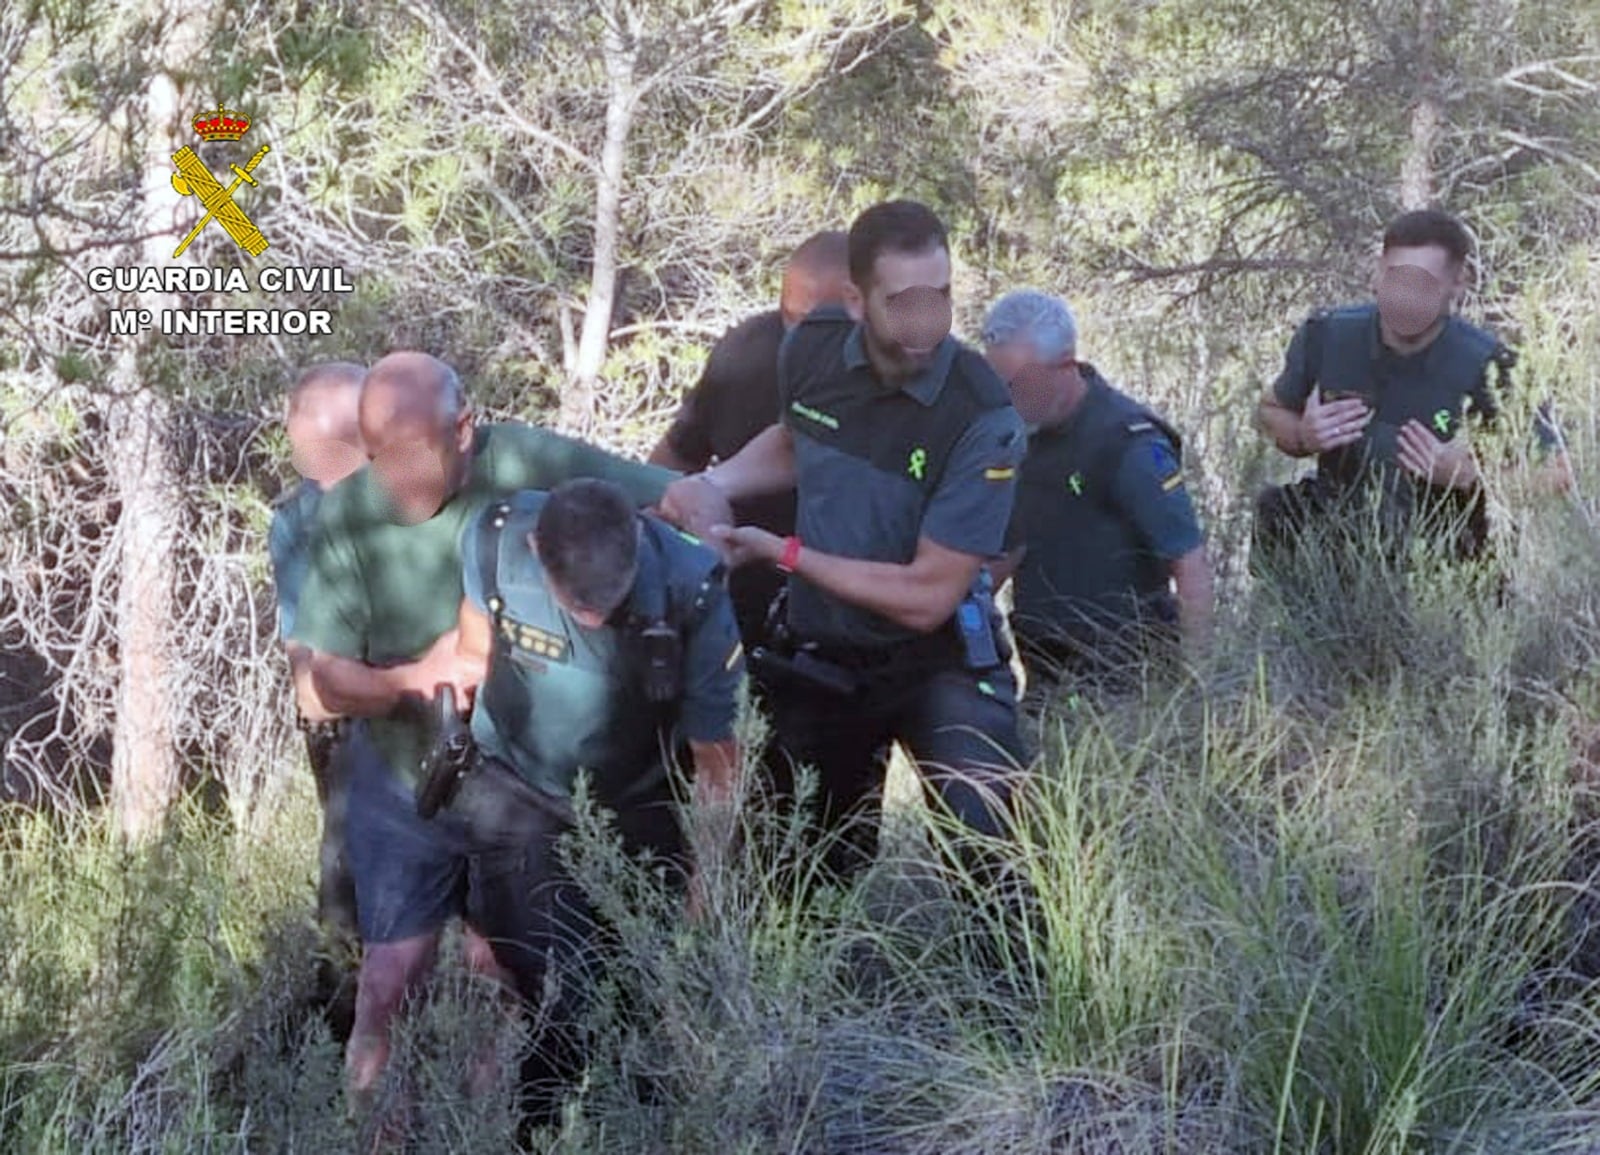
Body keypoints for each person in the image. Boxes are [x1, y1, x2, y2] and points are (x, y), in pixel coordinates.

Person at [285, 351, 678, 1121]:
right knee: (387, 980)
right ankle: (375, 1137)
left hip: (514, 784)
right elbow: (322, 682)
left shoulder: (524, 462)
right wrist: (417, 675)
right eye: (376, 459)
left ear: (462, 429)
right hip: (403, 777)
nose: (391, 481)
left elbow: (667, 500)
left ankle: (484, 1125)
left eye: (410, 459)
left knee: (512, 975)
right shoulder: (347, 514)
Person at [657, 199, 1029, 879]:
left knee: (992, 848)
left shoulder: (982, 412)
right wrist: (721, 484)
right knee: (797, 869)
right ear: (855, 300)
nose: (927, 317)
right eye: (904, 298)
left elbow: (927, 595)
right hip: (823, 651)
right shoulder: (811, 347)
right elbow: (798, 442)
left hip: (937, 655)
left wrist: (785, 553)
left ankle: (1010, 983)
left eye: (940, 295)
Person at [445, 477, 745, 1116]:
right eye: (577, 605)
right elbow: (471, 652)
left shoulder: (693, 590)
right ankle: (544, 1130)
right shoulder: (496, 541)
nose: (593, 617)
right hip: (521, 792)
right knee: (560, 991)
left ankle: (640, 1125)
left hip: (642, 801)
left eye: (608, 603)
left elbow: (718, 765)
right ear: (537, 548)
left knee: (645, 997)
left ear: (639, 536)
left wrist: (703, 895)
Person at [1254, 208, 1570, 570]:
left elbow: (1561, 476)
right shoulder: (1328, 337)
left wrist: (1469, 476)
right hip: (1336, 552)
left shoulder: (1493, 366)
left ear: (1458, 282)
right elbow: (1269, 411)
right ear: (1377, 272)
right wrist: (1302, 435)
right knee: (1278, 509)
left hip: (1443, 568)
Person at [980, 291, 1213, 708]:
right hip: (1046, 677)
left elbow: (1189, 564)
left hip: (1128, 686)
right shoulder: (1016, 435)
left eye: (1021, 384)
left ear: (1066, 366)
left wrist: (1196, 693)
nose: (1009, 397)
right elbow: (1007, 548)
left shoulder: (1127, 442)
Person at [649, 229, 852, 644]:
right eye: (790, 318)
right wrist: (659, 515)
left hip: (849, 609)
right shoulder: (747, 351)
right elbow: (678, 455)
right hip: (735, 587)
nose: (798, 341)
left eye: (817, 325)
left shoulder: (907, 381)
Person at [268, 360, 368, 937]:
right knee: (347, 895)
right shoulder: (299, 519)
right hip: (353, 724)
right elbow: (310, 683)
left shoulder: (431, 482)